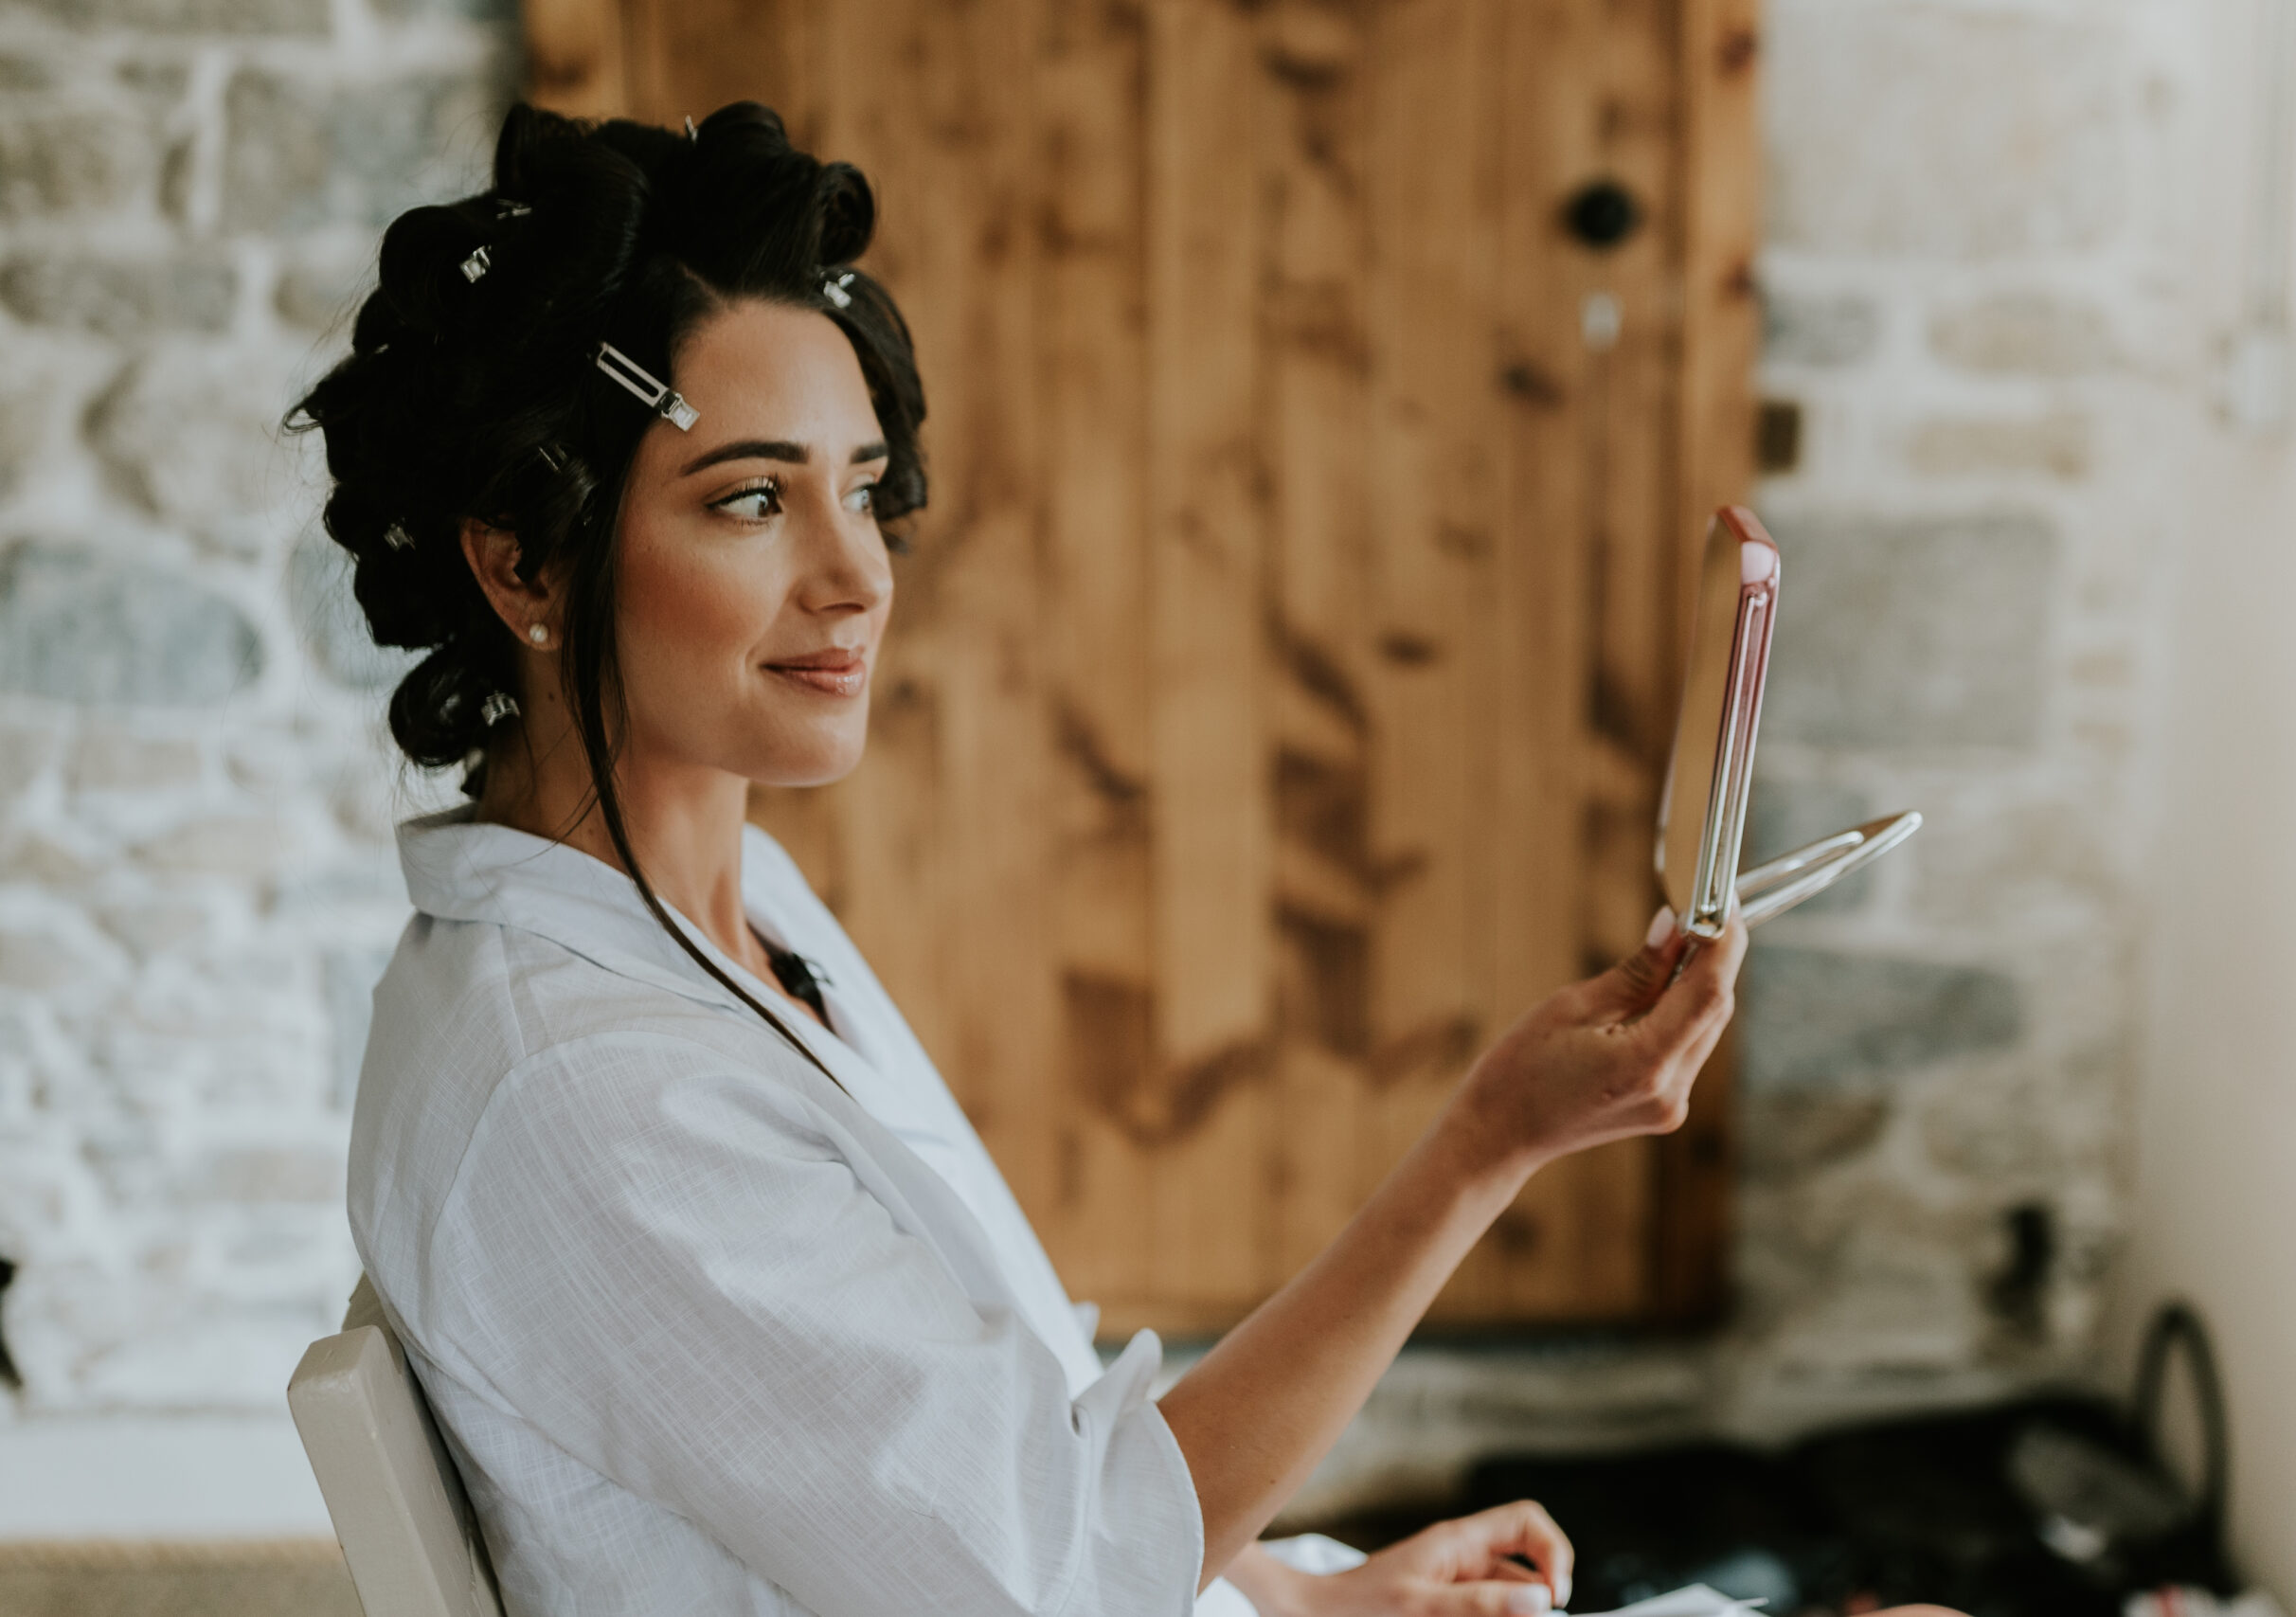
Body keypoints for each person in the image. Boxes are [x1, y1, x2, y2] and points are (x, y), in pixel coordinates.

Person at [298, 100, 1833, 1617]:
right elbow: (1070, 1583)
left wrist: (1300, 1601)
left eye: (861, 485)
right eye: (754, 498)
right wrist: (1490, 1141)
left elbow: (968, 1443)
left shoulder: (730, 912)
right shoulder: (590, 1092)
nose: (858, 577)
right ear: (522, 559)